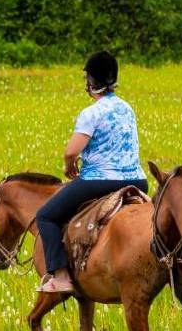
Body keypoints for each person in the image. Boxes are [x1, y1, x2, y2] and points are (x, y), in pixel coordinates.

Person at [34, 51, 147, 294]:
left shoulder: (91, 113)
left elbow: (71, 151)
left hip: (100, 181)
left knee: (46, 215)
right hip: (138, 180)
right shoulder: (127, 108)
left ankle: (61, 276)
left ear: (91, 82)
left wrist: (69, 167)